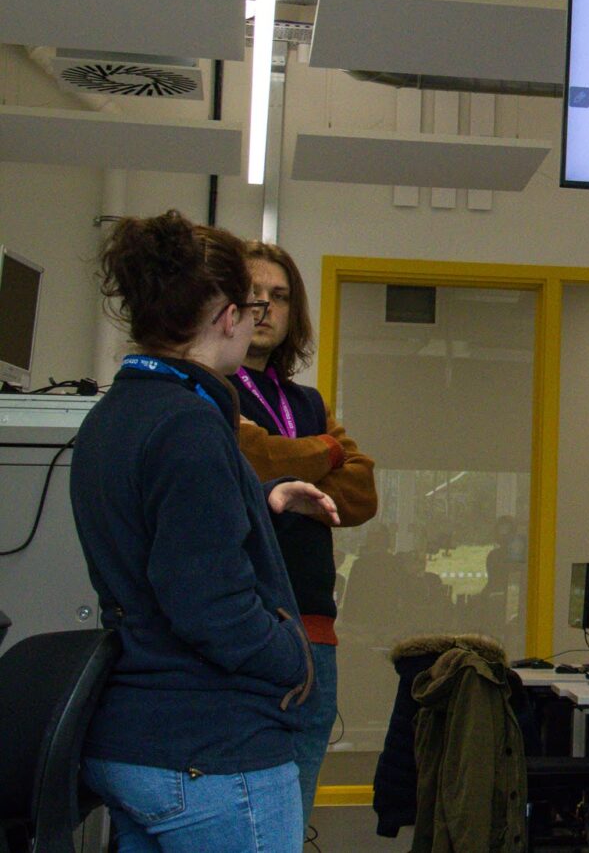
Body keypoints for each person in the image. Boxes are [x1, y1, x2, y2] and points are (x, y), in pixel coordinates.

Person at [70, 210, 337, 851]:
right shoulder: (190, 425)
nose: (256, 321)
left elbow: (152, 542)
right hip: (211, 752)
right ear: (227, 318)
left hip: (136, 741)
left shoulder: (114, 416)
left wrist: (260, 503)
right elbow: (207, 603)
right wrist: (289, 656)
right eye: (251, 307)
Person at [229, 241, 378, 827]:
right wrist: (328, 451)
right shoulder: (212, 387)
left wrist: (291, 486)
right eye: (254, 294)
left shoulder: (305, 400)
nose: (265, 306)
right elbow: (253, 457)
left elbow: (362, 495)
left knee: (292, 811)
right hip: (251, 626)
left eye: (280, 296)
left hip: (316, 632)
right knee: (246, 812)